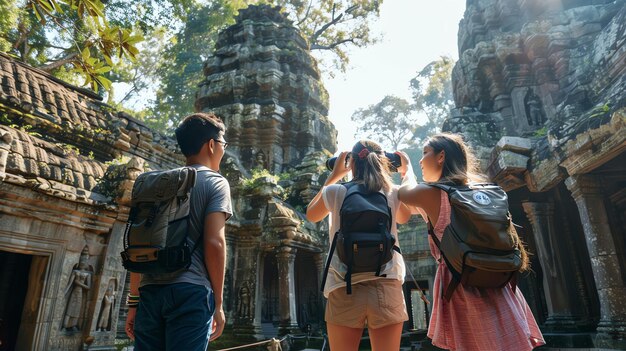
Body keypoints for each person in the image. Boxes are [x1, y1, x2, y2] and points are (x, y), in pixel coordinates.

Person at [397, 133, 545, 351]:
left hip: (461, 282)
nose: (420, 160)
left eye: (425, 153)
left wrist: (406, 169)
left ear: (441, 156)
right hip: (500, 283)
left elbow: (403, 193)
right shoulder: (485, 191)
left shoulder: (432, 193)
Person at [125, 112, 232, 351]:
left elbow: (139, 246)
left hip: (150, 292)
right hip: (191, 292)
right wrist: (218, 303)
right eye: (224, 144)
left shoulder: (152, 183)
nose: (224, 151)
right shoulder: (216, 182)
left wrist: (134, 303)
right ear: (212, 145)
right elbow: (215, 243)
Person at [306, 140, 412, 351]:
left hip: (343, 284)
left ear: (351, 162)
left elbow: (311, 215)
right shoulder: (393, 192)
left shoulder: (335, 192)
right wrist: (406, 170)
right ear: (383, 162)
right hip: (386, 282)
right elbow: (404, 218)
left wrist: (335, 174)